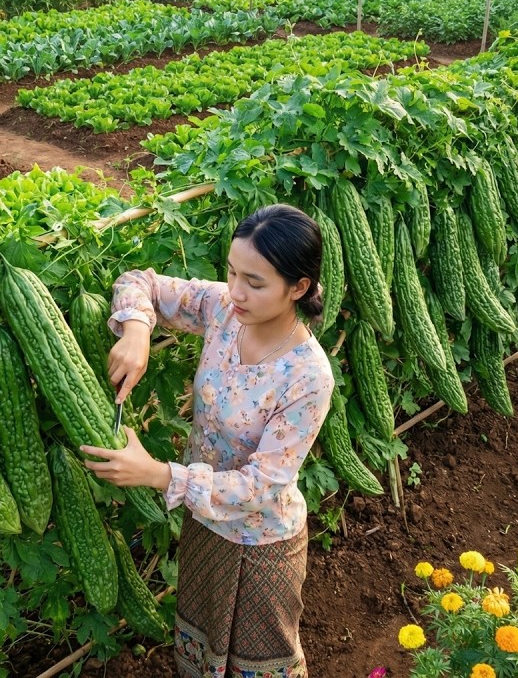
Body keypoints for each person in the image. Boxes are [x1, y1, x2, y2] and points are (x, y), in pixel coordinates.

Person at [80, 203, 334, 678]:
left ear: (298, 288)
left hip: (262, 543)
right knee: (200, 649)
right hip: (203, 522)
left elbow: (262, 486)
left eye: (255, 283)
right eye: (232, 272)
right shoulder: (225, 309)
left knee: (260, 664)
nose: (236, 291)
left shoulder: (307, 375)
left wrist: (157, 475)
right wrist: (137, 328)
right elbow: (141, 280)